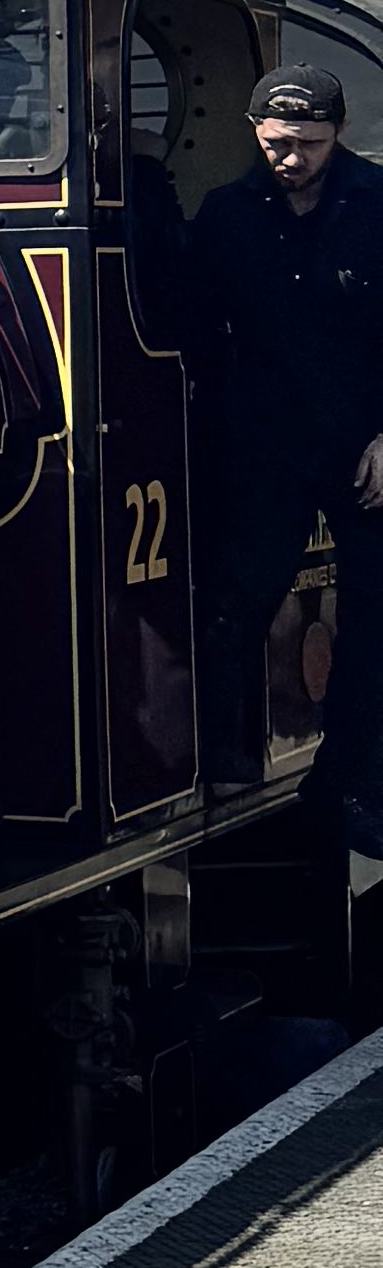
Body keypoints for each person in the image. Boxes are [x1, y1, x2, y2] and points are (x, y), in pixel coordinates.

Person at [189, 64, 383, 827]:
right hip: (266, 441)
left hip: (364, 442)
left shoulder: (378, 204)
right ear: (254, 132)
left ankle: (350, 782)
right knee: (238, 596)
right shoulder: (226, 215)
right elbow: (196, 329)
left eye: (309, 143)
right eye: (276, 143)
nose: (291, 158)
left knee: (375, 616)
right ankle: (222, 762)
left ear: (338, 134)